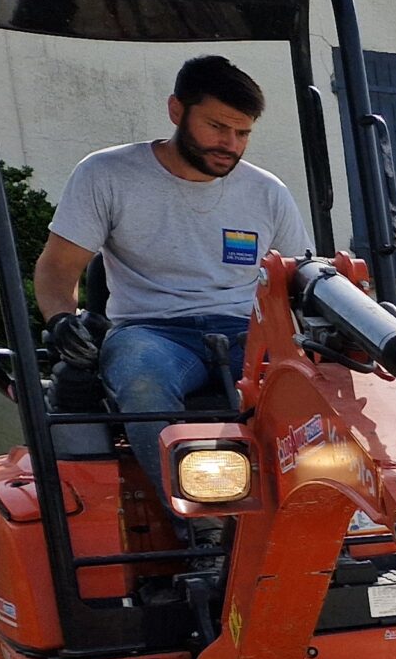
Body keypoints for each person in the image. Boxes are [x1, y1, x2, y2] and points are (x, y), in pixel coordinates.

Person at [32, 55, 309, 492]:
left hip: (246, 333)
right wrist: (61, 318)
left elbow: (301, 280)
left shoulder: (267, 193)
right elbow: (57, 267)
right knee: (143, 384)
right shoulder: (109, 174)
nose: (230, 144)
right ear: (177, 111)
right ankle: (199, 523)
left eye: (242, 133)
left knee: (310, 389)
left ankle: (312, 520)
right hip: (149, 331)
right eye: (217, 127)